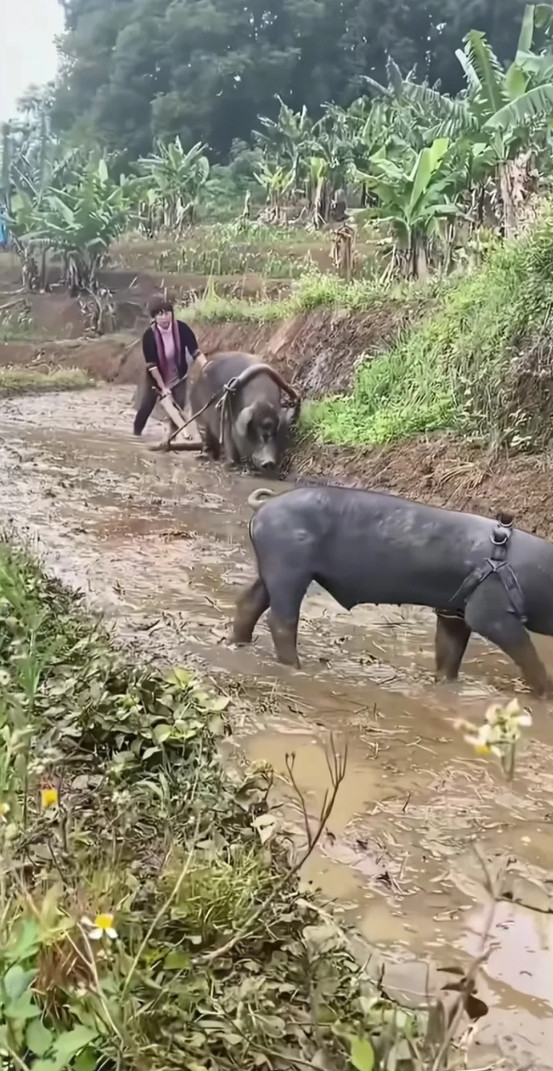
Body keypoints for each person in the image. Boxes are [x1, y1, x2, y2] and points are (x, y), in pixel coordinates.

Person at [133, 297, 207, 437]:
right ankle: (136, 435)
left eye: (167, 313)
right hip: (155, 377)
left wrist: (206, 366)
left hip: (179, 375)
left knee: (178, 406)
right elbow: (152, 366)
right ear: (154, 317)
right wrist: (163, 388)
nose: (164, 317)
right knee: (145, 408)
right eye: (160, 314)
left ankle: (175, 437)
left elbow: (195, 352)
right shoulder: (149, 336)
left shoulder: (182, 328)